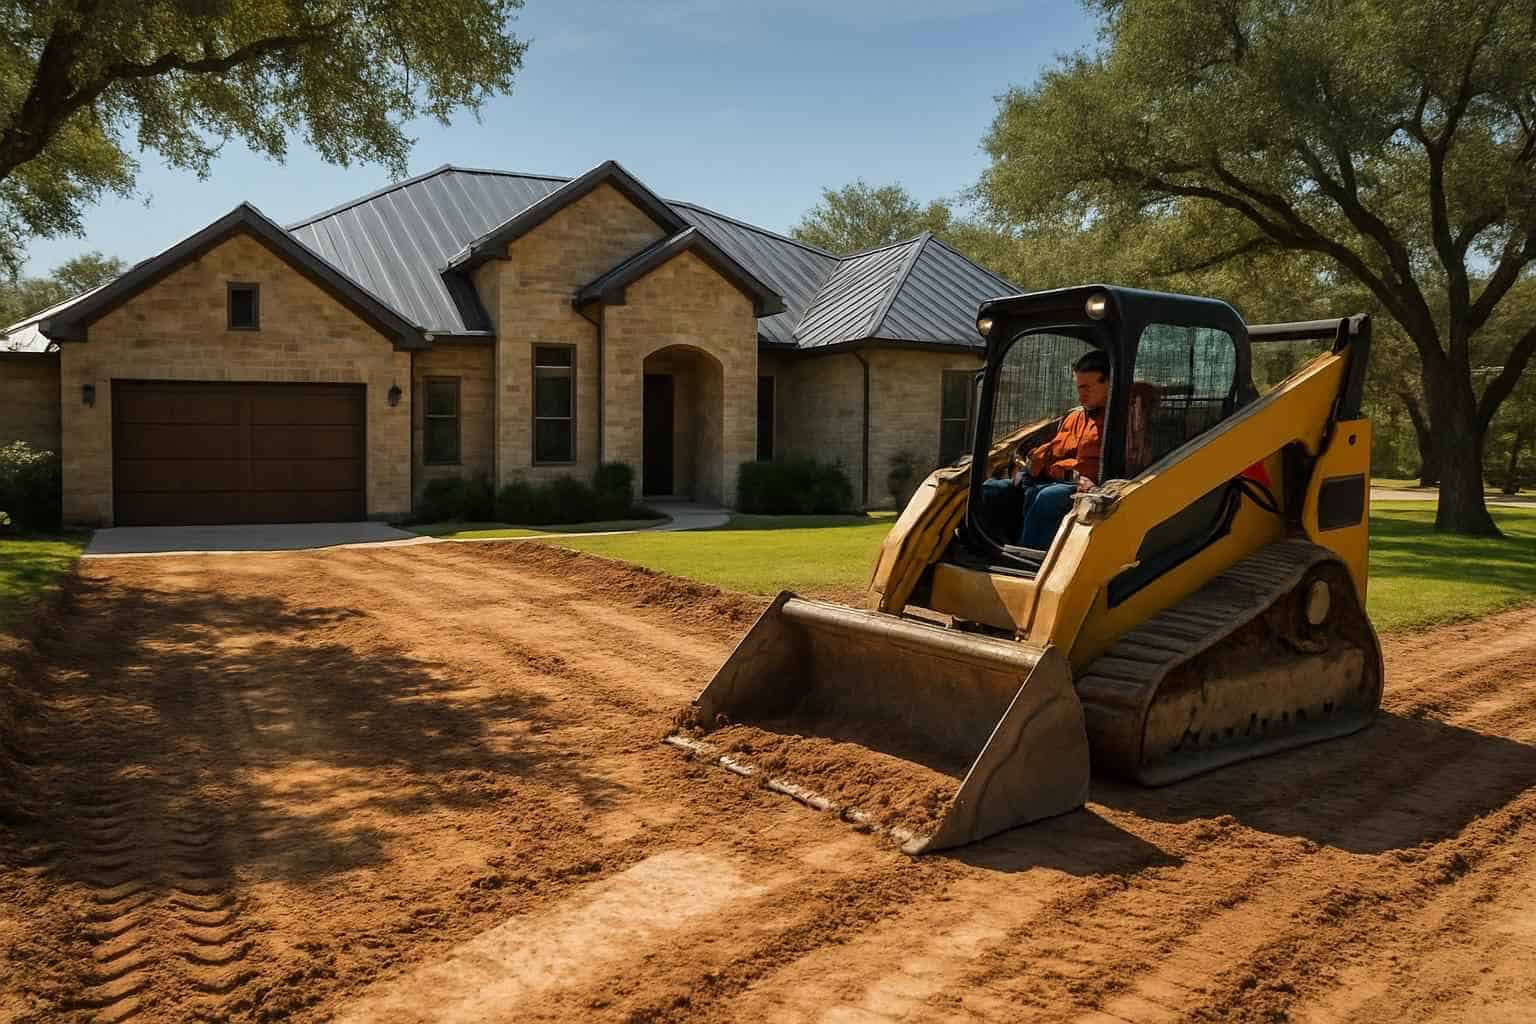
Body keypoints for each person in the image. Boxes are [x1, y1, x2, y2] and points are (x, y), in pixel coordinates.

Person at [982, 350, 1109, 549]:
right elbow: (1050, 451)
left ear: (1109, 384)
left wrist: (1062, 472)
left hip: (1085, 487)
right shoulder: (1074, 417)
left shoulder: (1120, 422)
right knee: (991, 488)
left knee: (1048, 498)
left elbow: (1090, 469)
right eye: (1078, 387)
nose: (1081, 394)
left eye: (1087, 387)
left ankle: (1026, 556)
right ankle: (988, 547)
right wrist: (1029, 468)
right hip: (1049, 477)